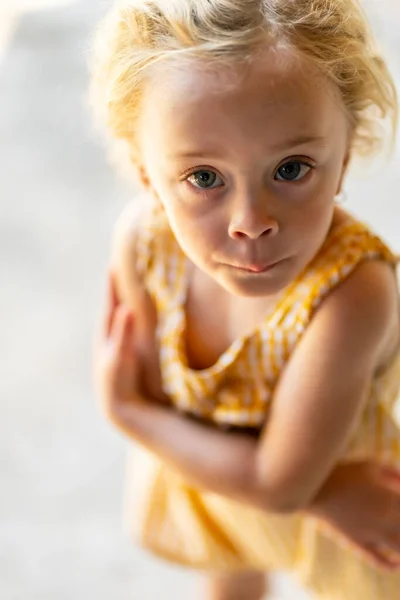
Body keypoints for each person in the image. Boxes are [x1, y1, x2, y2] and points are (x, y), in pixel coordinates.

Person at [91, 1, 400, 598]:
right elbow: (170, 403)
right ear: (147, 175)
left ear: (344, 157)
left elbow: (279, 483)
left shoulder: (352, 295)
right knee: (231, 569)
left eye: (291, 168)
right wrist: (322, 491)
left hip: (357, 524)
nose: (251, 223)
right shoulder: (145, 243)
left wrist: (128, 415)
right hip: (222, 491)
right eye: (204, 178)